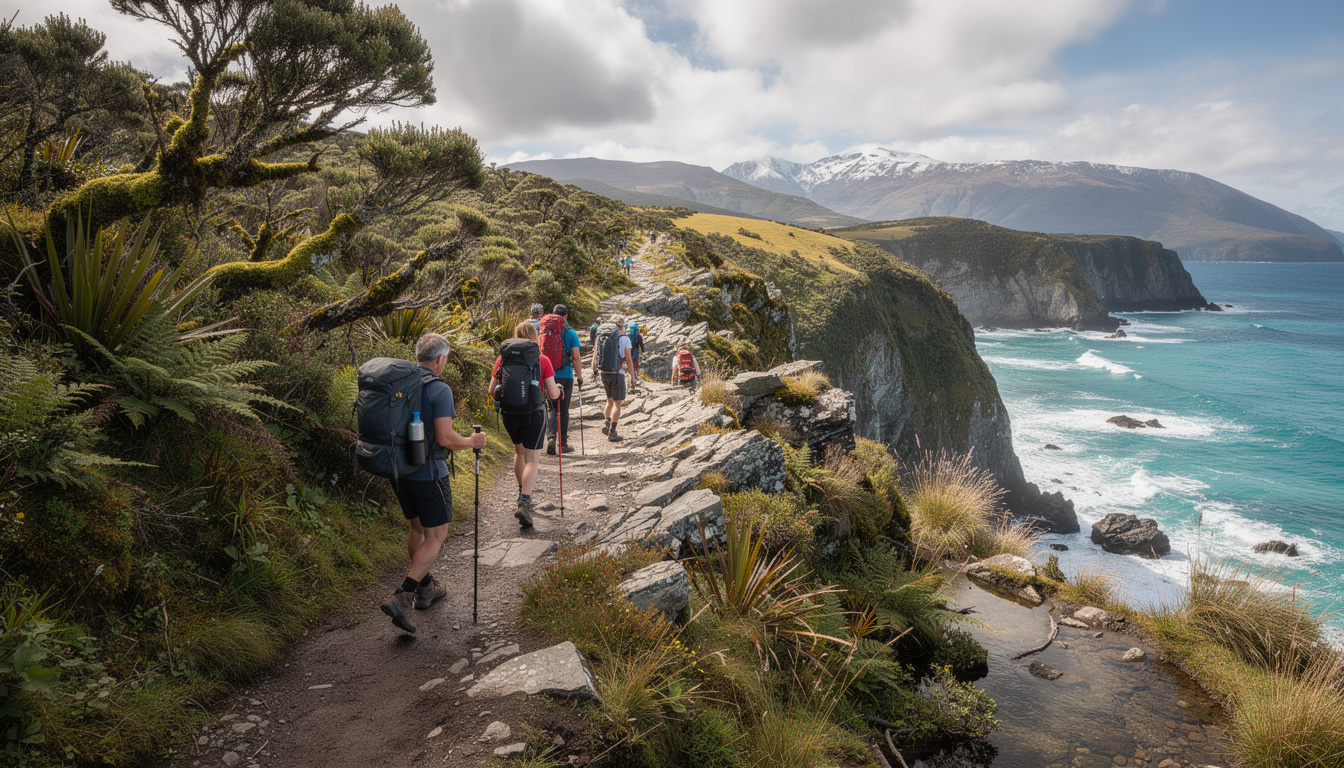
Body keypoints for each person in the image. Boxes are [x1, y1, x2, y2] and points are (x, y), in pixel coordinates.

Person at [380, 333, 488, 635]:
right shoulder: (439, 389)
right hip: (428, 472)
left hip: (399, 471)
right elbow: (445, 438)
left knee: (417, 530)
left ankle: (426, 588)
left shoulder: (400, 382)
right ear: (440, 359)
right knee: (437, 535)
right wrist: (472, 441)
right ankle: (404, 594)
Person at [488, 322, 561, 528]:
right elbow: (553, 393)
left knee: (519, 453)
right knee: (532, 460)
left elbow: (491, 390)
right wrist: (559, 391)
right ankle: (525, 501)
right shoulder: (542, 359)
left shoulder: (503, 358)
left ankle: (521, 491)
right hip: (534, 415)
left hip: (509, 414)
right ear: (533, 337)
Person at [541, 304, 583, 455]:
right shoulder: (570, 332)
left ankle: (551, 439)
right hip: (565, 375)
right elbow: (576, 357)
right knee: (563, 410)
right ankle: (563, 444)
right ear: (565, 316)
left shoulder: (545, 330)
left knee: (551, 407)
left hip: (548, 374)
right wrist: (580, 376)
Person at [592, 315, 634, 441]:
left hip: (604, 372)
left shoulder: (601, 336)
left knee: (609, 400)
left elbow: (595, 355)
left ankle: (607, 423)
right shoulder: (625, 339)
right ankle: (613, 432)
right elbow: (629, 360)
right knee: (617, 403)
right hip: (617, 373)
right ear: (621, 327)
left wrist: (594, 370)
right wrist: (633, 376)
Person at [627, 322, 645, 391]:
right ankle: (636, 376)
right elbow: (641, 344)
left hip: (628, 351)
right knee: (635, 363)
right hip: (635, 351)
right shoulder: (638, 335)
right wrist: (643, 350)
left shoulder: (627, 335)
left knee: (629, 363)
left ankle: (630, 376)